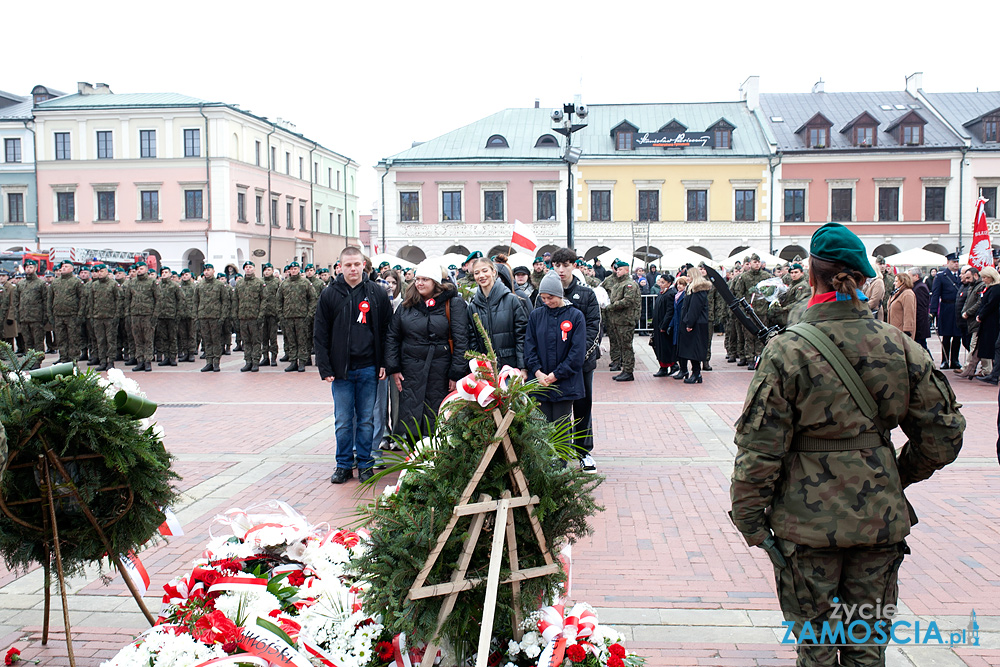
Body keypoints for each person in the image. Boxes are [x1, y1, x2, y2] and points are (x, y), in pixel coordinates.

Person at [731, 222, 965, 667]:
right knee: (865, 646)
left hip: (805, 525)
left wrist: (749, 517)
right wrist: (897, 472)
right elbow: (944, 435)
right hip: (879, 519)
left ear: (813, 277)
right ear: (862, 279)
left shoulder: (787, 352)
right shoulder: (900, 346)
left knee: (816, 648)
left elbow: (760, 449)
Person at [315, 247, 392, 484]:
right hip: (341, 371)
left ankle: (366, 465)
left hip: (369, 368)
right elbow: (320, 333)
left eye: (356, 264)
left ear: (363, 265)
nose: (353, 269)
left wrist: (384, 363)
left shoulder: (376, 293)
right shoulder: (329, 294)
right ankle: (344, 465)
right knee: (343, 421)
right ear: (340, 267)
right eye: (347, 265)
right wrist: (325, 367)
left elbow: (388, 331)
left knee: (367, 420)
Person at [385, 259, 469, 447]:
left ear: (435, 282)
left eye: (425, 279)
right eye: (417, 279)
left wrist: (456, 373)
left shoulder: (453, 303)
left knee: (437, 416)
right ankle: (415, 459)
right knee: (412, 417)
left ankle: (436, 462)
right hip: (411, 370)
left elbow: (461, 339)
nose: (420, 283)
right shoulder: (407, 305)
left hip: (440, 370)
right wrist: (394, 367)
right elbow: (392, 336)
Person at [546, 248, 602, 471]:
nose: (561, 270)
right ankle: (555, 452)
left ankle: (583, 452)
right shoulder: (545, 293)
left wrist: (577, 359)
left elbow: (594, 329)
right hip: (553, 367)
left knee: (582, 406)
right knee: (553, 409)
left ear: (574, 266)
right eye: (557, 265)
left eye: (566, 265)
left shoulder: (586, 294)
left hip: (581, 365)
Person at [525, 272, 586, 427]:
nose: (547, 302)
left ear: (559, 294)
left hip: (565, 383)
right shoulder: (536, 315)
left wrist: (556, 375)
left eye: (550, 297)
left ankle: (563, 453)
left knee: (561, 428)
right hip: (540, 381)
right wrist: (537, 372)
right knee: (541, 428)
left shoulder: (575, 316)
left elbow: (577, 353)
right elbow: (529, 347)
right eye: (543, 298)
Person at [466, 256, 527, 370]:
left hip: (510, 367)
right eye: (477, 273)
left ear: (493, 272)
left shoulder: (511, 300)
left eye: (485, 271)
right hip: (486, 368)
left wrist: (522, 367)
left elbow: (521, 336)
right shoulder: (473, 306)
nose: (481, 276)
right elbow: (472, 339)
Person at [374, 270, 404, 452]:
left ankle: (398, 434)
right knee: (380, 401)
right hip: (380, 359)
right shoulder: (377, 304)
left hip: (397, 359)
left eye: (393, 282)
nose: (390, 286)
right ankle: (384, 434)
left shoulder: (403, 304)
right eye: (387, 282)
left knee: (397, 398)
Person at [602, 259, 641, 381]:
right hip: (617, 320)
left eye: (620, 269)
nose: (617, 272)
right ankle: (624, 368)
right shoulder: (617, 284)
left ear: (626, 270)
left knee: (626, 346)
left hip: (625, 320)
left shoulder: (629, 284)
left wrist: (610, 306)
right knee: (621, 345)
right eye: (617, 269)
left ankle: (628, 371)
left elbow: (627, 301)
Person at [277, 262, 317, 372]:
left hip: (302, 317)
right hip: (288, 317)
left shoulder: (305, 283)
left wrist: (309, 314)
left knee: (302, 340)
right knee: (291, 340)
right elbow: (279, 300)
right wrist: (281, 315)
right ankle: (293, 361)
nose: (293, 271)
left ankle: (302, 362)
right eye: (291, 269)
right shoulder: (284, 284)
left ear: (299, 269)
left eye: (295, 268)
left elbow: (313, 299)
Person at [675, 267, 710, 384]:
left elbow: (695, 309)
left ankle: (696, 373)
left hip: (696, 324)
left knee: (694, 350)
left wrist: (690, 323)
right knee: (691, 349)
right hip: (693, 323)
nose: (687, 278)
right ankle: (695, 373)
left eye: (689, 276)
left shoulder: (698, 289)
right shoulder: (692, 288)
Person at [124, 261, 159, 372]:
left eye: (141, 268)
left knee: (148, 339)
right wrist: (128, 313)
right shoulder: (132, 283)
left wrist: (155, 314)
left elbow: (158, 299)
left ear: (146, 269)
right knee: (137, 339)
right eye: (138, 269)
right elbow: (127, 299)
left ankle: (148, 361)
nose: (139, 270)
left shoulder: (152, 282)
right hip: (135, 314)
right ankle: (140, 361)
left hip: (148, 314)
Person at [194, 263, 229, 372]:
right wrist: (196, 316)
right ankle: (209, 361)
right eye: (205, 270)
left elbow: (225, 301)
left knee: (216, 340)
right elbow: (195, 302)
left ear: (213, 271)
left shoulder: (219, 285)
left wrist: (222, 316)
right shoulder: (199, 285)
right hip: (203, 316)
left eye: (209, 270)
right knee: (207, 340)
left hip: (215, 316)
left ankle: (216, 362)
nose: (206, 272)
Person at [49, 260, 85, 363]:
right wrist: (50, 315)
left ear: (72, 269)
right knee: (61, 338)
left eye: (66, 266)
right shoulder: (55, 282)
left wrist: (80, 315)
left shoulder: (76, 282)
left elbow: (82, 299)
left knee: (73, 339)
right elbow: (50, 299)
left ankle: (73, 359)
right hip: (58, 315)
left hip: (72, 315)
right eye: (62, 266)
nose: (63, 268)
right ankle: (63, 357)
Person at [930, 253, 962, 369]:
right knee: (947, 336)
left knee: (958, 336)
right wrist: (933, 311)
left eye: (957, 261)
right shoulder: (941, 276)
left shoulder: (962, 275)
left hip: (958, 308)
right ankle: (945, 360)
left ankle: (955, 360)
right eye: (954, 262)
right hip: (946, 308)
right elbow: (935, 295)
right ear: (948, 263)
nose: (956, 264)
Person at [88, 263, 121, 371]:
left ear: (106, 272)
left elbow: (118, 300)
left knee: (110, 340)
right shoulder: (94, 285)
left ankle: (110, 361)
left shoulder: (113, 284)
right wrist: (92, 315)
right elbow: (91, 301)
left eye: (101, 271)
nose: (99, 273)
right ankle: (102, 361)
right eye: (98, 272)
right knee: (100, 340)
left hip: (110, 317)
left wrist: (116, 315)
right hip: (98, 316)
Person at [234, 261, 266, 372]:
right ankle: (248, 361)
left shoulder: (259, 283)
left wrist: (261, 315)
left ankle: (256, 361)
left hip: (255, 317)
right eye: (246, 267)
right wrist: (235, 315)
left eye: (250, 267)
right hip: (243, 317)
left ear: (254, 269)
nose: (248, 269)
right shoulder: (240, 283)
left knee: (256, 341)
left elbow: (263, 300)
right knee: (246, 341)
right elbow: (235, 300)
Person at [956, 266, 988, 379]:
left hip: (977, 321)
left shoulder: (980, 286)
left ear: (975, 275)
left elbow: (979, 303)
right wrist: (965, 311)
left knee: (974, 345)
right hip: (971, 321)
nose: (967, 280)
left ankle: (968, 368)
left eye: (969, 277)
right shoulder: (971, 286)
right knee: (979, 346)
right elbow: (967, 302)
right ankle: (985, 369)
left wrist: (968, 312)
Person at [975, 267, 1000, 386]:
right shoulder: (990, 288)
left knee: (996, 347)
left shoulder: (995, 289)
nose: (983, 280)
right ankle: (994, 374)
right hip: (989, 321)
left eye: (985, 277)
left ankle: (994, 374)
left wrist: (981, 315)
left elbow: (990, 304)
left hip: (993, 322)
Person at [650, 273, 677, 377]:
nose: (660, 284)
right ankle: (664, 366)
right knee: (658, 346)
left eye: (663, 282)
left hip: (663, 325)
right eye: (660, 282)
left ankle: (668, 365)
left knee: (665, 347)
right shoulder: (662, 293)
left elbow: (670, 311)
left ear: (669, 283)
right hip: (658, 324)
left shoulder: (670, 293)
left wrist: (664, 325)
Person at [886, 272, 916, 338]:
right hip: (895, 330)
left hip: (901, 332)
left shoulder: (907, 294)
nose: (894, 283)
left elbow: (909, 313)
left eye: (896, 281)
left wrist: (907, 330)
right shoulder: (897, 292)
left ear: (903, 282)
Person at [908, 268, 931, 350]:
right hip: (919, 324)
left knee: (921, 347)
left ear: (916, 276)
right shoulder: (916, 286)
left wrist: (917, 325)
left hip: (920, 325)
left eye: (910, 276)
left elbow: (921, 309)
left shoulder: (920, 288)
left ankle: (929, 361)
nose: (908, 278)